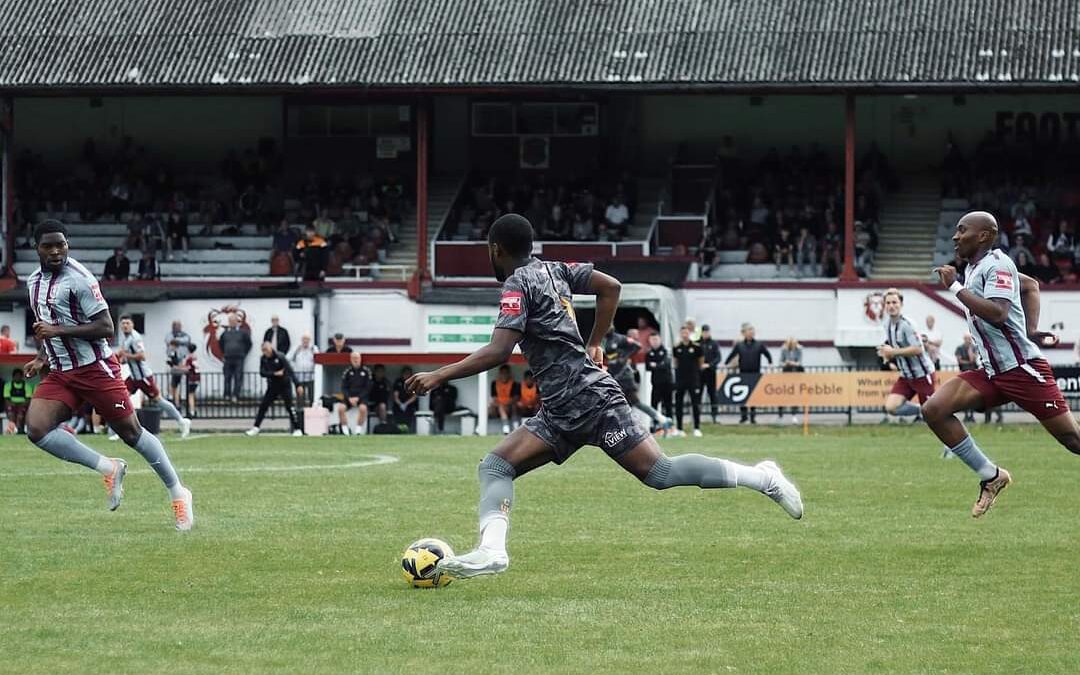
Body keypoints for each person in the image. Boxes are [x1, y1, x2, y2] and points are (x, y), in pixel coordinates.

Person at [405, 213, 801, 579]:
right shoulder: (555, 270)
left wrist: (439, 375)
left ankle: (763, 477)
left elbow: (498, 351)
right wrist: (594, 343)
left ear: (495, 250)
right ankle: (492, 551)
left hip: (590, 400)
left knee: (660, 474)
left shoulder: (516, 284)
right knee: (495, 466)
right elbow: (610, 287)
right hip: (560, 410)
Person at [22, 220, 193, 530]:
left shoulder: (81, 280)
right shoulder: (33, 281)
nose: (56, 250)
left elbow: (105, 327)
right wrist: (41, 357)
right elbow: (45, 324)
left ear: (68, 245)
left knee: (132, 434)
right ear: (36, 247)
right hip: (61, 371)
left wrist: (57, 331)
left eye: (61, 244)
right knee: (36, 429)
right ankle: (108, 467)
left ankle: (179, 493)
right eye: (49, 245)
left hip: (95, 369)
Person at [925, 211, 1080, 518]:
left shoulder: (997, 265)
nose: (956, 236)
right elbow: (1032, 286)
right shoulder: (976, 268)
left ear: (983, 235)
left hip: (1022, 369)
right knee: (934, 410)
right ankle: (991, 476)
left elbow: (997, 313)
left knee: (1073, 440)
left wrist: (956, 288)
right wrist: (1032, 329)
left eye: (962, 230)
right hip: (994, 372)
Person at [115, 315, 192, 438]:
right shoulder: (126, 339)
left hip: (143, 377)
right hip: (134, 377)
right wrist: (122, 359)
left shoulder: (135, 338)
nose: (125, 325)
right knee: (121, 398)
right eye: (123, 323)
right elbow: (128, 358)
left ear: (132, 325)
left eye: (127, 323)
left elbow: (142, 356)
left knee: (159, 401)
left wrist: (125, 355)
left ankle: (182, 421)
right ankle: (122, 430)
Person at [876, 290, 936, 423]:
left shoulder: (907, 324)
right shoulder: (886, 324)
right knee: (891, 407)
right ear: (884, 306)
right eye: (888, 303)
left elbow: (918, 349)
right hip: (906, 375)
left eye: (895, 302)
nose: (891, 306)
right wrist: (887, 355)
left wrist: (893, 352)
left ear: (901, 304)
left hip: (922, 374)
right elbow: (894, 347)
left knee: (933, 416)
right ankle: (922, 409)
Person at [603, 327, 670, 433]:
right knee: (622, 404)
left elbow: (637, 346)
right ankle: (628, 429)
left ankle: (661, 419)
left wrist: (624, 357)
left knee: (632, 403)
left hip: (624, 376)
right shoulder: (606, 341)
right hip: (614, 376)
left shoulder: (620, 338)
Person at [246, 342, 302, 436]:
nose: (265, 352)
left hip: (284, 385)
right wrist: (274, 374)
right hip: (272, 386)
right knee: (263, 406)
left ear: (271, 348)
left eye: (266, 350)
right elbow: (262, 372)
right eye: (263, 350)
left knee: (290, 407)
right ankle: (256, 427)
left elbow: (289, 370)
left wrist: (297, 385)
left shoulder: (280, 357)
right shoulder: (263, 359)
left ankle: (297, 429)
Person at [725, 323, 773, 424]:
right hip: (743, 373)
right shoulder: (740, 345)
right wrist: (726, 363)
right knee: (742, 397)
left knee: (753, 397)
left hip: (755, 373)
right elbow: (732, 354)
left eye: (752, 331)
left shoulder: (759, 345)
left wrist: (770, 362)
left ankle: (752, 417)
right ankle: (743, 417)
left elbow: (767, 354)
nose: (751, 333)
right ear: (744, 333)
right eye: (749, 331)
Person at [672, 326, 703, 437]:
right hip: (680, 380)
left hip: (693, 379)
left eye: (686, 332)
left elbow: (700, 362)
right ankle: (679, 428)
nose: (684, 335)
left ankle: (696, 428)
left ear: (689, 333)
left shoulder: (696, 347)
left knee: (695, 404)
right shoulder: (677, 347)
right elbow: (675, 362)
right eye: (682, 333)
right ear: (680, 334)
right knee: (679, 404)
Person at [336, 351, 371, 435]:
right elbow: (343, 387)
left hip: (361, 397)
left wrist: (358, 397)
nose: (356, 360)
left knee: (363, 408)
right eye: (354, 358)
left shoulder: (366, 371)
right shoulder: (347, 372)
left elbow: (368, 387)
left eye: (357, 358)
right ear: (351, 360)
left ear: (360, 359)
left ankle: (358, 431)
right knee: (341, 408)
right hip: (349, 397)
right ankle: (345, 431)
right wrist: (349, 398)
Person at [219, 314, 251, 402]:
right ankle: (227, 395)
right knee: (227, 377)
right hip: (228, 358)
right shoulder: (225, 333)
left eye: (234, 321)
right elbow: (221, 344)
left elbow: (249, 344)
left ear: (237, 322)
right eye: (230, 321)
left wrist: (243, 353)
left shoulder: (243, 332)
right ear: (229, 322)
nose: (232, 323)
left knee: (238, 377)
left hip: (239, 358)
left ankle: (235, 395)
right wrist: (224, 353)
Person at [644, 333, 674, 421]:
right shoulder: (649, 353)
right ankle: (655, 424)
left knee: (668, 404)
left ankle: (670, 425)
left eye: (656, 339)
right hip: (656, 383)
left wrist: (656, 365)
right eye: (652, 340)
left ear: (660, 340)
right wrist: (658, 365)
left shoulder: (665, 351)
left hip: (667, 382)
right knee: (654, 404)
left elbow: (665, 364)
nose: (654, 342)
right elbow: (648, 367)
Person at [698, 324, 722, 423]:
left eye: (707, 332)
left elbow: (718, 358)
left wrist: (710, 365)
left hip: (710, 372)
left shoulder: (714, 344)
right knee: (698, 394)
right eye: (704, 332)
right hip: (699, 373)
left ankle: (714, 416)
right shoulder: (697, 344)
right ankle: (697, 416)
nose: (705, 333)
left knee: (712, 394)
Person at [165, 320, 191, 405]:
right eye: (175, 326)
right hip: (173, 363)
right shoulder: (169, 335)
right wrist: (178, 342)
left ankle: (179, 400)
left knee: (181, 383)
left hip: (182, 361)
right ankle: (174, 401)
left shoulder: (184, 334)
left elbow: (187, 340)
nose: (177, 327)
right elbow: (168, 340)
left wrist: (176, 340)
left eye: (178, 325)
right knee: (173, 384)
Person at [489, 364, 520, 435]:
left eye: (506, 373)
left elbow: (516, 398)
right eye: (502, 373)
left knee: (514, 406)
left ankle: (513, 428)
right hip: (497, 408)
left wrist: (505, 404)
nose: (504, 375)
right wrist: (500, 404)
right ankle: (479, 428)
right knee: (491, 405)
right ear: (499, 374)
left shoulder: (514, 384)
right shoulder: (494, 383)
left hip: (510, 407)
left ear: (509, 374)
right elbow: (494, 398)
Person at [778, 337, 804, 421]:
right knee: (783, 393)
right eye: (791, 344)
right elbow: (780, 362)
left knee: (795, 394)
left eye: (794, 344)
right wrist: (786, 363)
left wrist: (794, 363)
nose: (793, 346)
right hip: (786, 372)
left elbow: (800, 362)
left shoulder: (799, 349)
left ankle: (794, 414)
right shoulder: (784, 349)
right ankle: (781, 414)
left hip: (796, 373)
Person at [954, 334, 978, 423]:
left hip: (972, 372)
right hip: (964, 373)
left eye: (969, 339)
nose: (968, 340)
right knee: (964, 395)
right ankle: (966, 415)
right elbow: (960, 360)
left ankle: (971, 415)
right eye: (967, 339)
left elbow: (973, 359)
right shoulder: (959, 348)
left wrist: (970, 350)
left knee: (971, 395)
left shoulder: (974, 347)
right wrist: (968, 362)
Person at [289, 332, 318, 404]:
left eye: (307, 339)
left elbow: (318, 360)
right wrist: (293, 368)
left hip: (311, 377)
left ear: (310, 340)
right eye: (304, 339)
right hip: (299, 378)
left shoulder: (313, 348)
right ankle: (300, 413)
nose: (305, 341)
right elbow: (288, 359)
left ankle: (312, 412)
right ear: (301, 340)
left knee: (312, 397)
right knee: (300, 397)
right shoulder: (296, 348)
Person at [4, 368, 34, 433]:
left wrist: (20, 405)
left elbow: (28, 399)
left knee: (20, 415)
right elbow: (6, 399)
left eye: (19, 376)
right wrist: (13, 404)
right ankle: (12, 430)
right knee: (11, 414)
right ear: (13, 377)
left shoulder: (27, 386)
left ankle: (19, 431)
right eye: (16, 376)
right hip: (12, 405)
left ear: (22, 377)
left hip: (23, 405)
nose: (17, 377)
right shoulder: (8, 385)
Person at [392, 366, 419, 431]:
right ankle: (398, 428)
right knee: (396, 409)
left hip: (410, 403)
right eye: (405, 373)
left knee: (410, 410)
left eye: (408, 373)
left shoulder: (413, 382)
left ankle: (407, 428)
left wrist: (406, 404)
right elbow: (395, 396)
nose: (406, 375)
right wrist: (401, 404)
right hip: (399, 403)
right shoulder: (398, 381)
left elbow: (414, 396)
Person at [178, 343, 200, 418]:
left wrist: (179, 368)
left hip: (191, 378)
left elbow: (187, 368)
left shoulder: (189, 358)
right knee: (193, 394)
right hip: (197, 377)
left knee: (190, 395)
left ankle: (191, 411)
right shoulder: (195, 357)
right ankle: (193, 409)